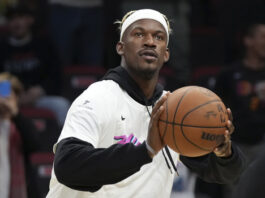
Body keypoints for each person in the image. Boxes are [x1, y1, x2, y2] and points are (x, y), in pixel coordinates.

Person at [46, 9, 245, 198]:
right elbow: (67, 166)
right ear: (120, 47)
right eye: (139, 34)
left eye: (158, 37)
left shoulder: (174, 108)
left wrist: (224, 151)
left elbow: (223, 174)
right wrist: (146, 150)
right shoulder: (98, 97)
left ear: (166, 54)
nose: (150, 42)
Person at [0, 5, 70, 126]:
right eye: (12, 19)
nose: (17, 23)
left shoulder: (44, 44)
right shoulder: (2, 47)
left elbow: (55, 75)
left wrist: (40, 90)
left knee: (62, 105)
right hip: (8, 98)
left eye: (21, 17)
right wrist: (10, 95)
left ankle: (66, 144)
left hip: (39, 96)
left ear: (30, 20)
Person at [214, 23, 265, 164]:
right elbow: (216, 107)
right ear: (248, 41)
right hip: (236, 144)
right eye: (263, 37)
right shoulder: (229, 74)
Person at [0, 72, 40, 198]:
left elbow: (34, 144)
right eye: (1, 96)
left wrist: (15, 113)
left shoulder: (21, 124)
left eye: (8, 97)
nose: (4, 101)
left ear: (17, 98)